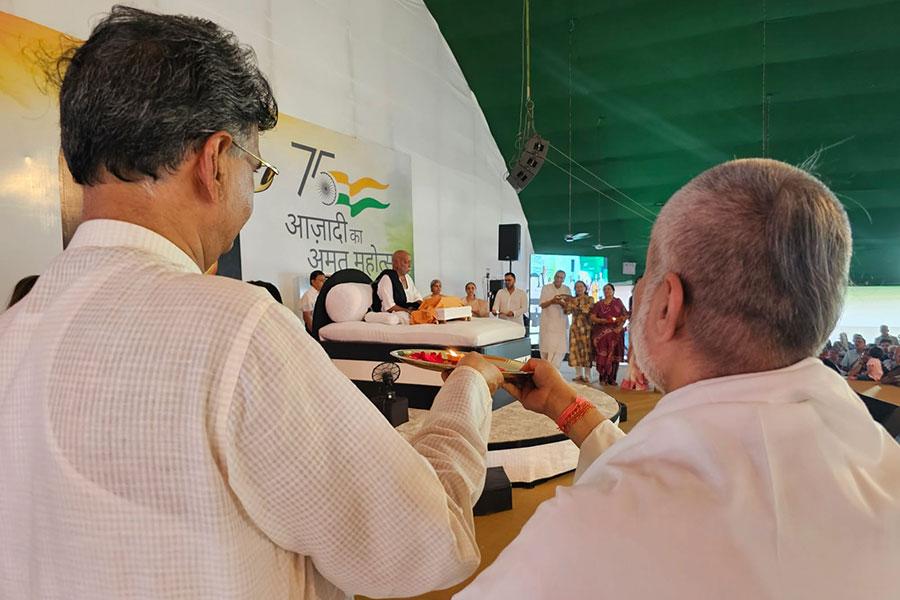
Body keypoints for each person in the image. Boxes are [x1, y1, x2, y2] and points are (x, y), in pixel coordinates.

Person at [0, 7, 504, 599]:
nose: (249, 200)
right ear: (214, 160)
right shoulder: (235, 330)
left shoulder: (14, 331)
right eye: (255, 170)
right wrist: (466, 393)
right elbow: (421, 546)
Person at [458, 159, 900, 599]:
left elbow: (659, 490)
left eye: (646, 278)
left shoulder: (588, 536)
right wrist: (567, 407)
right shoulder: (883, 463)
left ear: (668, 304)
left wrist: (466, 395)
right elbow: (699, 473)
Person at [589, 283, 628, 385]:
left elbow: (625, 316)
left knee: (614, 356)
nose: (607, 291)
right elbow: (592, 317)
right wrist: (601, 320)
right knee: (602, 355)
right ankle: (602, 377)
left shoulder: (618, 302)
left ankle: (612, 379)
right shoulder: (599, 304)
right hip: (601, 332)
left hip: (616, 332)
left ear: (613, 291)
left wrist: (620, 327)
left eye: (609, 289)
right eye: (605, 289)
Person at [372, 249, 423, 323]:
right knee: (405, 317)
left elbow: (417, 298)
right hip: (395, 313)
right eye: (406, 262)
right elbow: (389, 307)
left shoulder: (408, 278)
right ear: (396, 263)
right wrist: (409, 311)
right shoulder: (387, 278)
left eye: (410, 262)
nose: (409, 265)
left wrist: (424, 308)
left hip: (410, 310)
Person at [538, 270, 571, 368]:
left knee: (560, 349)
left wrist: (562, 303)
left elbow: (569, 307)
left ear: (564, 279)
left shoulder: (566, 289)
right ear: (554, 277)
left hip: (561, 323)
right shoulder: (546, 288)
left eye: (561, 277)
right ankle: (547, 369)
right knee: (546, 348)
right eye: (557, 276)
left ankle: (554, 370)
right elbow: (542, 304)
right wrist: (552, 301)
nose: (559, 279)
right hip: (548, 323)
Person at [564, 281, 593, 382]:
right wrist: (566, 303)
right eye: (577, 287)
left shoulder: (590, 299)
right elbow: (567, 311)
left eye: (581, 287)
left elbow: (586, 309)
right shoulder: (572, 299)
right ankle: (578, 374)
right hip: (575, 328)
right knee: (575, 351)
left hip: (586, 328)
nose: (579, 289)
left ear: (585, 288)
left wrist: (574, 305)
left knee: (586, 351)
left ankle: (588, 375)